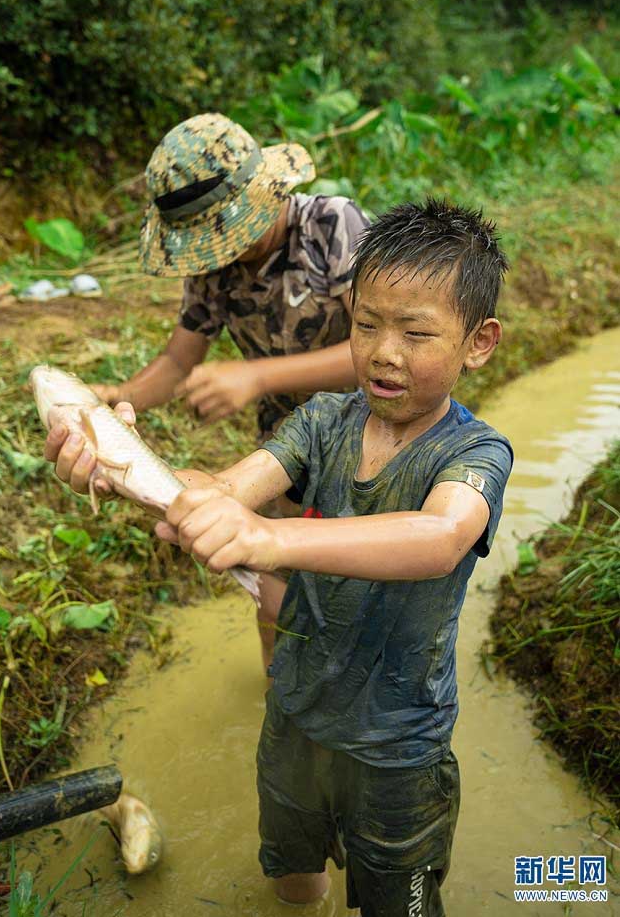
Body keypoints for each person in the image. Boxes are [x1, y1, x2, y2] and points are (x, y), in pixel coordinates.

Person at [44, 198, 513, 916]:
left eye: (416, 333)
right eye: (366, 325)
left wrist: (270, 539)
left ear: (478, 343)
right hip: (294, 716)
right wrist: (120, 464)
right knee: (294, 884)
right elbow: (221, 491)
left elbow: (439, 536)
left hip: (398, 746)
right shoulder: (322, 419)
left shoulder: (475, 452)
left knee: (401, 905)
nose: (384, 352)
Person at [92, 113, 369, 669]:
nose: (221, 250)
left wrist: (259, 376)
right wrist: (116, 399)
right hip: (285, 450)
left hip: (368, 437)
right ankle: (278, 707)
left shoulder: (331, 227)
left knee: (358, 598)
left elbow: (377, 356)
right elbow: (178, 361)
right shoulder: (213, 268)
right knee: (275, 604)